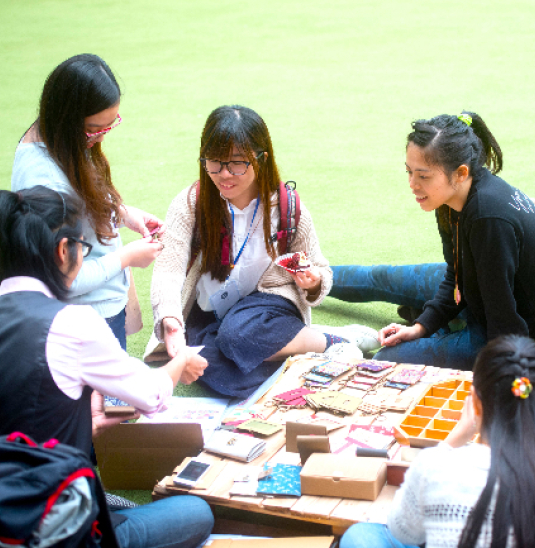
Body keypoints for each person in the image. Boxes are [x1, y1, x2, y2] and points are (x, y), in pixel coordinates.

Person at [0, 187, 213, 548]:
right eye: (83, 247)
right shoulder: (72, 323)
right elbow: (152, 395)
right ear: (63, 250)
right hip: (59, 527)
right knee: (196, 512)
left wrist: (77, 423)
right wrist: (180, 361)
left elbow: (2, 429)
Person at [149, 105, 376, 398]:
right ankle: (297, 344)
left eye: (236, 163)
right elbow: (168, 268)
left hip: (267, 308)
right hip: (211, 314)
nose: (224, 174)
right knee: (215, 370)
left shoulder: (287, 207)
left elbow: (321, 269)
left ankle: (331, 342)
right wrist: (169, 318)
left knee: (238, 335)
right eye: (214, 162)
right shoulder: (191, 203)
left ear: (261, 158)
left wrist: (314, 281)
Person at [340, 335, 535, 548]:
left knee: (360, 536)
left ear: (475, 402)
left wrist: (454, 438)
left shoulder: (436, 466)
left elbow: (402, 532)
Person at [329, 111, 535, 370]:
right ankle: (315, 279)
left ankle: (444, 324)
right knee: (383, 278)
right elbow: (456, 276)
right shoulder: (450, 198)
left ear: (460, 173)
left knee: (384, 360)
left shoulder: (488, 218)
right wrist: (422, 326)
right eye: (409, 172)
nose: (412, 184)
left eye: (423, 176)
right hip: (480, 295)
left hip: (522, 336)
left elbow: (504, 321)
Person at [11, 53, 165, 349]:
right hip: (85, 320)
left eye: (109, 126)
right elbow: (63, 278)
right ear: (67, 117)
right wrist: (127, 257)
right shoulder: (44, 183)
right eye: (94, 129)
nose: (100, 138)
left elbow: (79, 198)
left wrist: (121, 213)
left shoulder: (58, 137)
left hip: (96, 308)